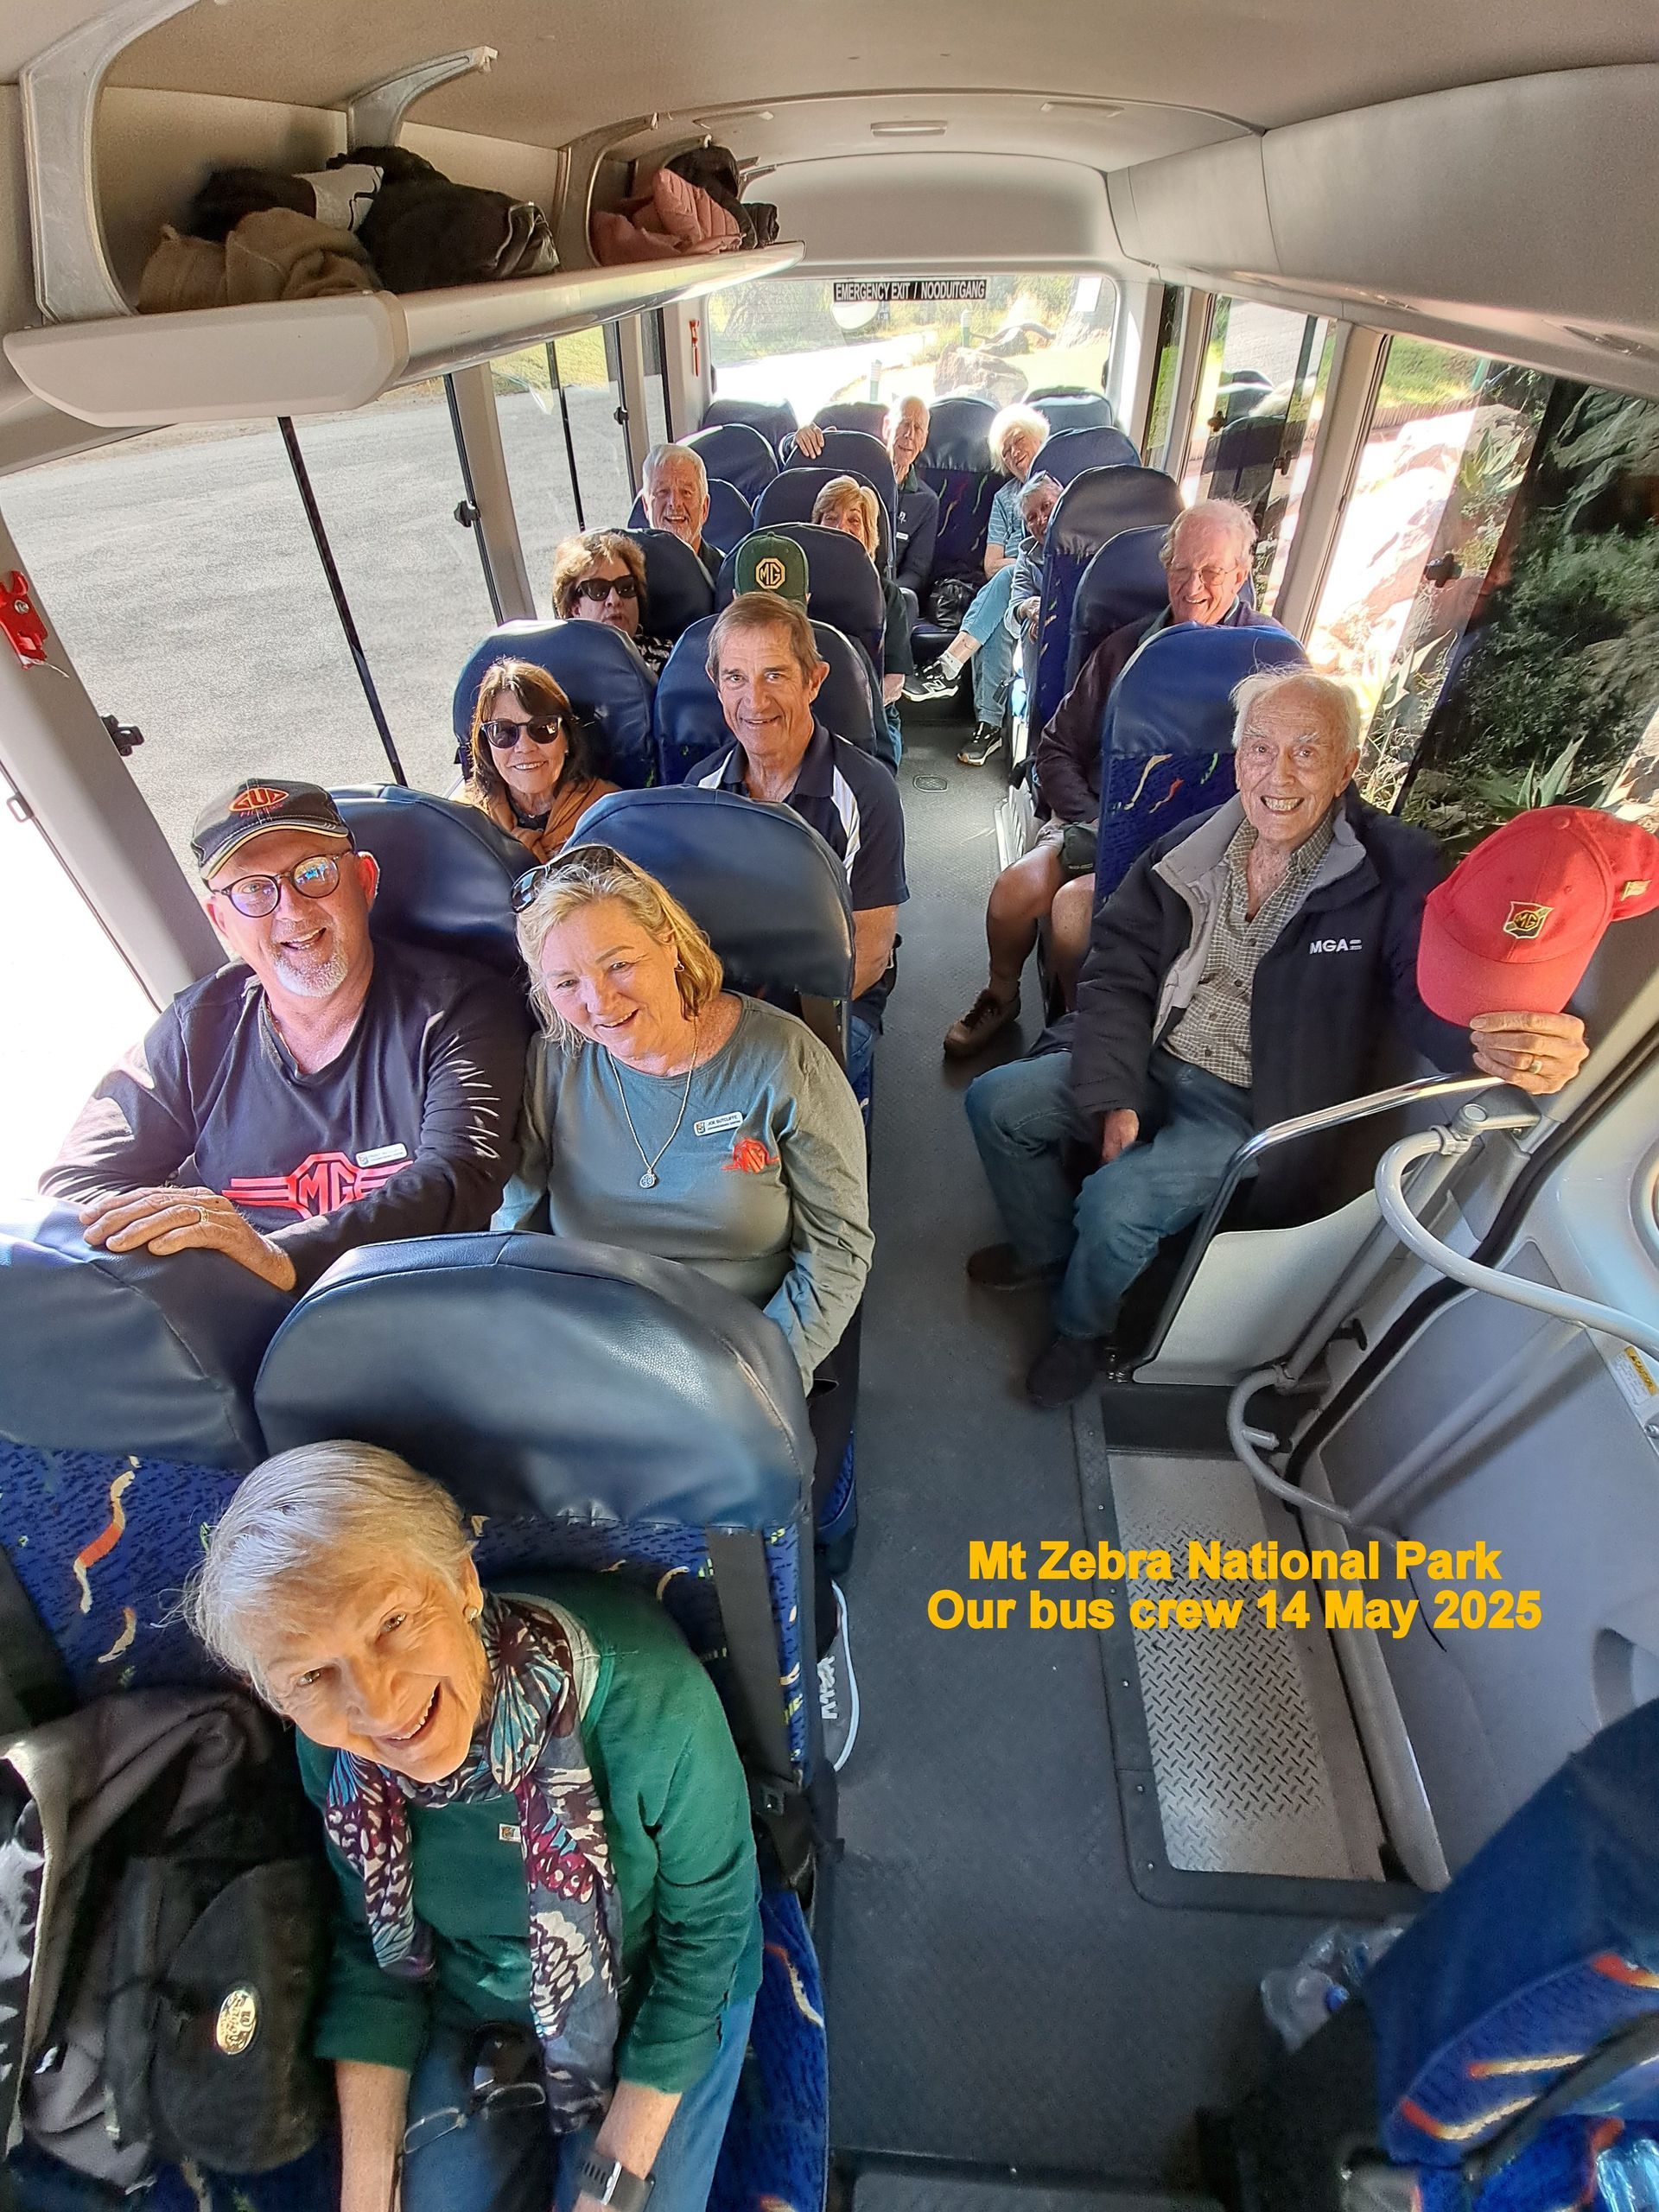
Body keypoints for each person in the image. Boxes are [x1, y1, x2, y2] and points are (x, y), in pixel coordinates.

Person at [963, 669, 1591, 1408]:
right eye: (1259, 749)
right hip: (1156, 1055)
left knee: (1118, 1204)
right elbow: (1117, 973)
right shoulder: (1189, 848)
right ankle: (1050, 1256)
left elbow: (1427, 998)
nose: (1278, 774)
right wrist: (1115, 1091)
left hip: (1255, 1103)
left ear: (1348, 767)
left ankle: (1081, 1328)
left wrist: (1497, 1045)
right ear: (1237, 761)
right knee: (997, 1102)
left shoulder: (1393, 871)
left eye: (1307, 751)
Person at [185, 1441, 762, 2212]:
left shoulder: (652, 1708)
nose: (379, 1706)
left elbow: (710, 1938)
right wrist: (366, 2190)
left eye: (391, 1622)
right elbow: (372, 1948)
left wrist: (610, 2188)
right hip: (468, 2001)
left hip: (651, 1982)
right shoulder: (334, 1761)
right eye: (312, 1676)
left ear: (460, 1581)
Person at [41, 778, 528, 1295]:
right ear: (222, 922)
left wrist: (278, 1257)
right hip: (226, 1315)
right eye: (254, 889)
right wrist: (198, 1259)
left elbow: (458, 1178)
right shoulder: (195, 1029)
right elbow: (73, 1190)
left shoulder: (459, 1007)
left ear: (364, 882)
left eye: (314, 873)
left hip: (408, 1305)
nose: (292, 910)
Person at [498, 844, 872, 1387]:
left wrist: (757, 1383)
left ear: (668, 944)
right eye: (567, 983)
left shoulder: (786, 1064)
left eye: (620, 964)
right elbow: (517, 1230)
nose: (599, 1003)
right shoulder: (550, 1065)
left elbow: (837, 1249)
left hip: (741, 1354)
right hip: (590, 1349)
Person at [944, 498, 1274, 1058]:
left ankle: (1080, 1033)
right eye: (1181, 569)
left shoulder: (1272, 664)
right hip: (1104, 818)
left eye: (1213, 572)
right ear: (1165, 568)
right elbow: (1058, 748)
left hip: (1214, 851)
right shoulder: (1122, 649)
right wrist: (1096, 820)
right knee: (1011, 895)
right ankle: (1005, 995)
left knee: (1075, 916)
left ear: (1241, 575)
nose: (1193, 587)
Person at [689, 593, 908, 1095]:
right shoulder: (700, 789)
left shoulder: (866, 793)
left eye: (774, 675)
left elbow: (870, 956)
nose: (754, 701)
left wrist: (761, 1041)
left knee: (800, 1098)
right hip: (729, 995)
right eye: (736, 678)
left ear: (814, 681)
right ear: (716, 686)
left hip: (830, 997)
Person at [906, 402, 1049, 763]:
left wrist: (1020, 566)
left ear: (1039, 438)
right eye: (1007, 450)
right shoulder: (1004, 499)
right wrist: (1020, 568)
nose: (1015, 453)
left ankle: (948, 665)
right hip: (1017, 590)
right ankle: (988, 728)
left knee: (1006, 577)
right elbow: (990, 563)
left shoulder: (1065, 484)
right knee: (1001, 607)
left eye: (1019, 441)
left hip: (1057, 578)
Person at [460, 658, 620, 863]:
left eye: (543, 728)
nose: (525, 747)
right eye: (503, 732)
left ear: (568, 739)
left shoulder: (610, 816)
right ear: (486, 745)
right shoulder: (466, 820)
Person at [787, 398, 938, 599]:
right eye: (904, 423)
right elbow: (796, 471)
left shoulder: (927, 501)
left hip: (879, 592)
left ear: (924, 440)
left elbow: (916, 572)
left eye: (917, 428)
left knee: (907, 601)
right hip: (823, 577)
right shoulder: (852, 476)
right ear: (887, 427)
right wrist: (794, 442)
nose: (909, 435)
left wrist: (885, 594)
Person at [810, 474, 915, 756]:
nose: (841, 528)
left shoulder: (888, 595)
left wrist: (849, 711)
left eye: (854, 520)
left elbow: (895, 682)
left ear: (869, 535)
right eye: (830, 518)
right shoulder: (799, 588)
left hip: (871, 718)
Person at [551, 531, 672, 675]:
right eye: (598, 590)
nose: (614, 600)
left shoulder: (671, 660)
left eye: (626, 587)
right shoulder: (556, 674)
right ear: (574, 608)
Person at [641, 444, 722, 582]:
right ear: (646, 506)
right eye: (663, 492)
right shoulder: (627, 579)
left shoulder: (727, 577)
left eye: (686, 492)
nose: (675, 502)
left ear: (704, 507)